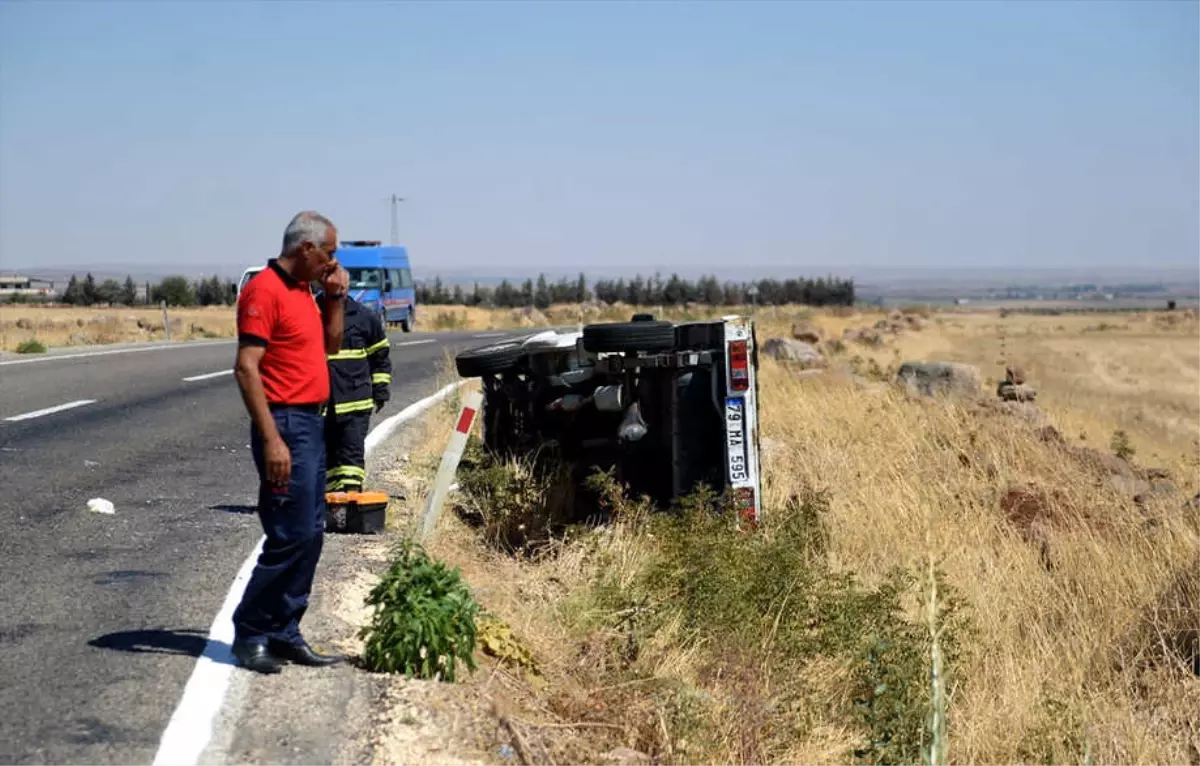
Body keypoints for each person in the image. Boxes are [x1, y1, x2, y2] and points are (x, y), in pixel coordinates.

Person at [230, 210, 350, 674]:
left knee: (312, 533)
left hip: (310, 424)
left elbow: (331, 348)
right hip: (284, 424)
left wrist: (335, 298)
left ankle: (284, 630)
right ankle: (251, 632)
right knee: (289, 534)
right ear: (306, 248)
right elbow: (246, 368)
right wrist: (273, 440)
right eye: (329, 252)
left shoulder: (304, 292)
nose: (332, 261)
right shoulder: (263, 290)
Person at [320, 293, 392, 493]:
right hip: (323, 406)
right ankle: (334, 500)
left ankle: (352, 498)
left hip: (356, 402)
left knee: (352, 454)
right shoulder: (311, 314)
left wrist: (381, 388)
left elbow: (380, 356)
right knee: (329, 457)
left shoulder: (364, 318)